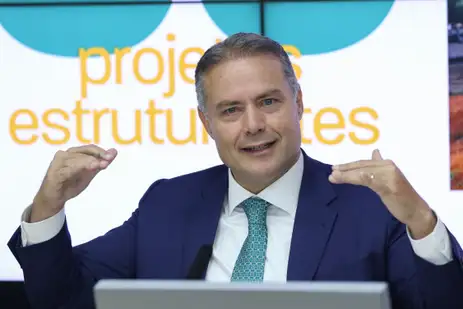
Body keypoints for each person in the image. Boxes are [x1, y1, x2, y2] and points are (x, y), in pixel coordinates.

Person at [7, 32, 463, 309]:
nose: (253, 125)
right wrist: (49, 206)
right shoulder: (168, 204)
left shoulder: (369, 208)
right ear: (207, 123)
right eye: (230, 110)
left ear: (298, 103)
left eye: (268, 102)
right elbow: (61, 299)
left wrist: (421, 222)